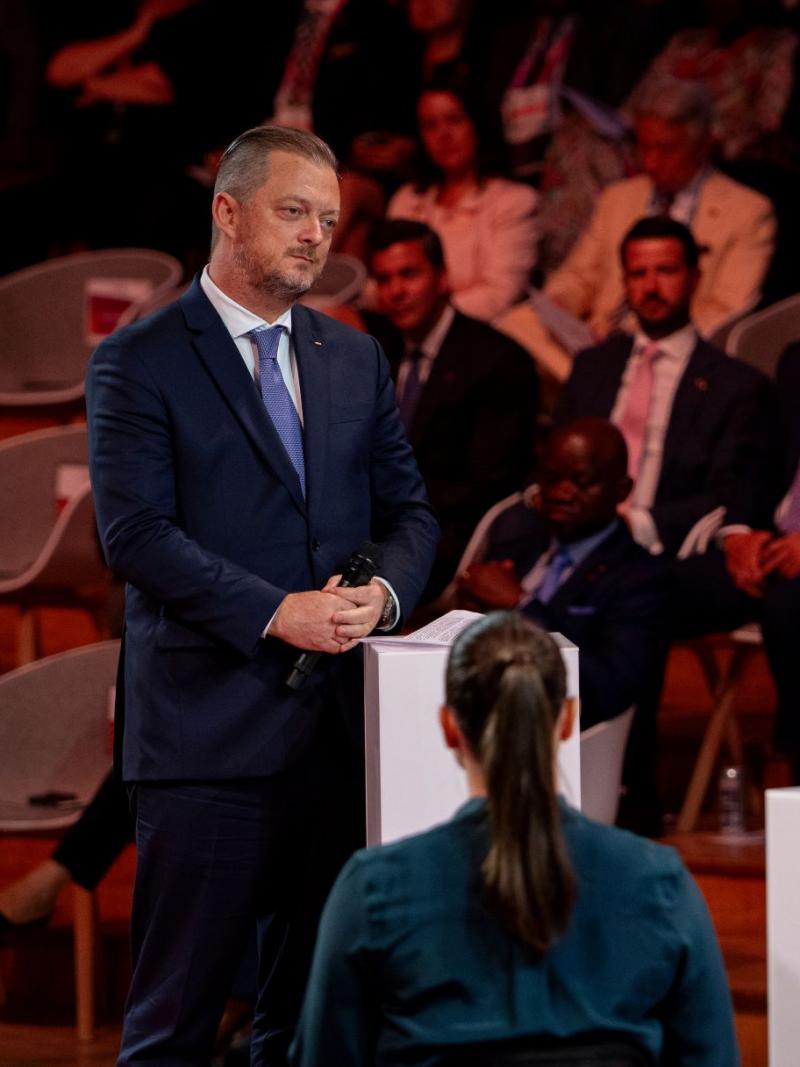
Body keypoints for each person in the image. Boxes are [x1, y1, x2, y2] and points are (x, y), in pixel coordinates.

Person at [85, 125, 439, 1065]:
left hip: (335, 741)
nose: (317, 235)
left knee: (308, 1027)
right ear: (228, 212)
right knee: (174, 1027)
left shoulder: (354, 358)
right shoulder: (140, 358)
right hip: (206, 742)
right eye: (294, 212)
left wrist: (386, 598)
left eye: (329, 218)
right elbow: (135, 536)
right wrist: (278, 610)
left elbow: (410, 514)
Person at [290, 611, 739, 1066]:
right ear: (568, 719)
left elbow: (324, 1055)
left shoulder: (374, 890)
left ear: (449, 728)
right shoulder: (658, 884)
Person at [497, 77, 775, 385]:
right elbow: (578, 276)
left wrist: (641, 337)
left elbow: (725, 312)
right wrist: (561, 305)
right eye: (644, 147)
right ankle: (590, 385)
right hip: (595, 338)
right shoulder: (620, 198)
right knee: (515, 322)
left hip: (667, 342)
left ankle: (590, 388)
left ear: (702, 145)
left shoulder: (747, 211)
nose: (652, 162)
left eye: (666, 149)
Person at [555, 216, 768, 558]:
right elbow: (554, 457)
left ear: (695, 278)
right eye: (638, 274)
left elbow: (725, 494)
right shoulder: (592, 366)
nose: (651, 287)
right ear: (624, 282)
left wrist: (635, 524)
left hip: (660, 548)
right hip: (570, 535)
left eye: (666, 271)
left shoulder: (736, 385)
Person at [365, 218, 540, 601]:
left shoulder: (498, 361)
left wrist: (387, 511)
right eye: (384, 279)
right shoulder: (377, 351)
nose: (396, 291)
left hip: (453, 532)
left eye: (409, 274)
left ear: (443, 278)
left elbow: (489, 483)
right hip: (379, 524)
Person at [458, 418, 668, 729]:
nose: (560, 493)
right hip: (484, 724)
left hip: (576, 744)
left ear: (622, 490)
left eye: (580, 481)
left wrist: (521, 608)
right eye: (551, 478)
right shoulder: (517, 548)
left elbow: (609, 689)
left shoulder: (641, 578)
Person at [670, 342, 800, 782]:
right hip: (773, 544)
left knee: (790, 609)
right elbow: (761, 461)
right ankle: (630, 786)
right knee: (648, 590)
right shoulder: (796, 359)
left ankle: (790, 769)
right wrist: (739, 533)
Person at [387, 76, 539, 321]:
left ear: (477, 124)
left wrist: (426, 315)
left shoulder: (514, 201)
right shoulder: (407, 199)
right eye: (430, 125)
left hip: (481, 334)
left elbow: (499, 294)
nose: (443, 135)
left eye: (454, 120)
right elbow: (381, 282)